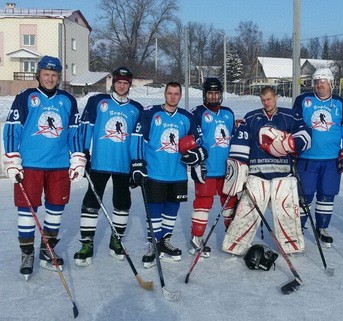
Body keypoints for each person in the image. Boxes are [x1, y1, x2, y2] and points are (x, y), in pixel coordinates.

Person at [2, 55, 85, 279]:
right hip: (30, 165)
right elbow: (12, 128)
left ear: (59, 77)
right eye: (46, 74)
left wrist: (77, 157)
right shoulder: (26, 97)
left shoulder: (68, 100)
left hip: (59, 165)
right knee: (27, 211)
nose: (50, 78)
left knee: (56, 210)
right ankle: (27, 253)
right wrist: (12, 159)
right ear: (38, 74)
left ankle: (48, 250)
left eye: (54, 75)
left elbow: (75, 132)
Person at [221, 86, 311, 256]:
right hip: (257, 175)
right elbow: (241, 142)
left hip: (283, 174)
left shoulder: (290, 116)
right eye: (263, 100)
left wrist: (293, 144)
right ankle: (235, 245)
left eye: (269, 99)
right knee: (247, 211)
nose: (266, 103)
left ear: (275, 97)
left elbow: (305, 133)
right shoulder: (252, 117)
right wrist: (239, 168)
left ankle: (291, 246)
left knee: (286, 210)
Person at [129, 82, 206, 268]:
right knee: (155, 209)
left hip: (178, 172)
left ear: (180, 96)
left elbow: (199, 141)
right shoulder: (150, 113)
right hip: (155, 172)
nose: (173, 97)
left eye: (176, 94)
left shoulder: (187, 117)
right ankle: (153, 244)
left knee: (172, 208)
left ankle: (165, 241)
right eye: (170, 93)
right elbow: (138, 139)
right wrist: (138, 164)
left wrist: (197, 153)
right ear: (165, 94)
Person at [73, 67, 144, 266]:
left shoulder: (136, 108)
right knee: (91, 201)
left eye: (126, 83)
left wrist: (137, 162)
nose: (122, 86)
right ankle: (86, 244)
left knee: (122, 202)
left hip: (123, 164)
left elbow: (137, 139)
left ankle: (116, 241)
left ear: (130, 85)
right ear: (113, 82)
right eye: (119, 82)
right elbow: (86, 126)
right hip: (99, 162)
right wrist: (83, 153)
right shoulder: (97, 102)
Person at [292, 67, 343, 248]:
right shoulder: (303, 100)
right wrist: (293, 146)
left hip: (331, 160)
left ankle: (322, 228)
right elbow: (294, 125)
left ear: (331, 84)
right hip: (307, 158)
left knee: (327, 195)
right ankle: (299, 228)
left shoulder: (342, 104)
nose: (320, 85)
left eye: (324, 81)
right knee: (304, 195)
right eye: (317, 82)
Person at [188, 78, 237, 258]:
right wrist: (197, 161)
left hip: (227, 170)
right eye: (210, 93)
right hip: (206, 169)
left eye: (216, 93)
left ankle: (233, 237)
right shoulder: (198, 113)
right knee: (203, 203)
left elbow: (234, 139)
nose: (214, 96)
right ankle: (197, 238)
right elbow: (194, 140)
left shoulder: (228, 113)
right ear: (204, 94)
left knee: (230, 203)